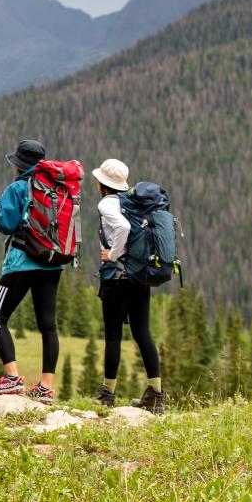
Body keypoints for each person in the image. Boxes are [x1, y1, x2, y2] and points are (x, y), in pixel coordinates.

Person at [0, 139, 61, 404]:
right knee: (48, 326)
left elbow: (6, 224)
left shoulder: (17, 188)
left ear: (20, 166)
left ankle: (12, 378)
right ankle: (46, 387)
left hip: (21, 261)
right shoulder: (57, 188)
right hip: (53, 262)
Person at [92, 158, 164, 414]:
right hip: (140, 276)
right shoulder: (135, 201)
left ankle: (107, 394)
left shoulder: (107, 204)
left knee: (113, 335)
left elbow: (123, 227)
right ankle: (155, 395)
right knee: (143, 333)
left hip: (117, 278)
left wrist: (112, 255)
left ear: (103, 184)